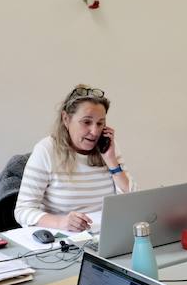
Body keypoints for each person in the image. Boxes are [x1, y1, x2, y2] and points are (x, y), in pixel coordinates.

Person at [13, 86, 133, 233]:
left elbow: (131, 202)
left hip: (105, 235)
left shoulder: (109, 148)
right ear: (66, 119)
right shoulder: (46, 150)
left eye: (100, 123)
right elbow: (22, 211)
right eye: (86, 122)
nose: (95, 132)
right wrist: (61, 222)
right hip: (65, 241)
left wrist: (111, 161)